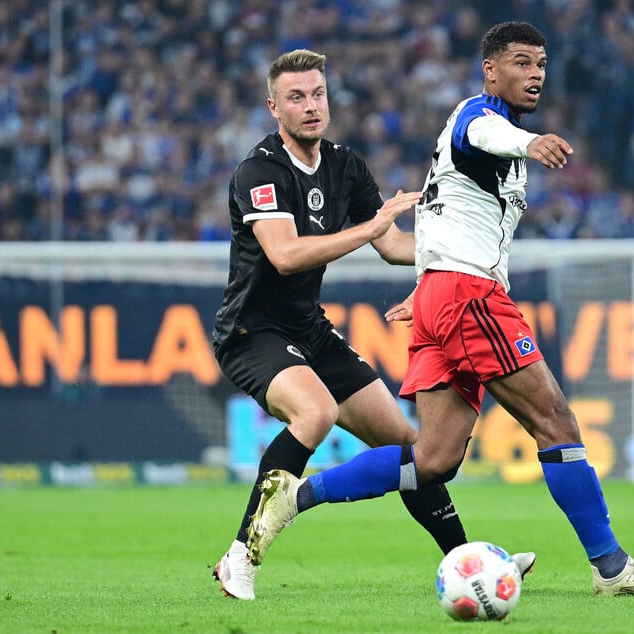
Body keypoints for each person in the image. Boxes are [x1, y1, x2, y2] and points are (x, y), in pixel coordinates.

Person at [248, 22, 634, 597]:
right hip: (469, 297)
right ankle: (613, 568)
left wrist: (431, 279)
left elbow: (436, 213)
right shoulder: (476, 119)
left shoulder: (477, 146)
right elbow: (486, 132)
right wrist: (528, 143)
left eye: (540, 63)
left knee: (431, 460)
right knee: (555, 422)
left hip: (443, 293)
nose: (534, 74)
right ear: (491, 69)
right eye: (520, 62)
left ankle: (296, 495)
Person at [210, 49, 535, 601]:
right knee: (315, 412)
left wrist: (462, 252)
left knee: (413, 448)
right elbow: (286, 255)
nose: (311, 106)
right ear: (274, 107)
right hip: (252, 332)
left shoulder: (345, 166)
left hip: (309, 330)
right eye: (296, 97)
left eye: (317, 94)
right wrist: (372, 226)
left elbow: (394, 246)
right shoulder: (259, 172)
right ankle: (241, 555)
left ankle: (468, 561)